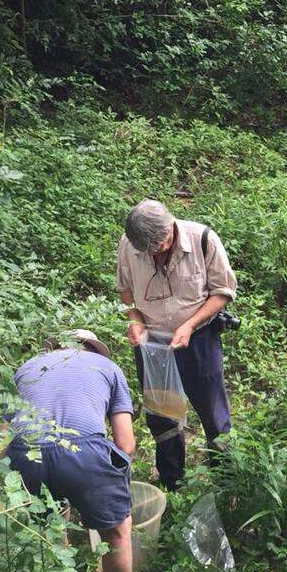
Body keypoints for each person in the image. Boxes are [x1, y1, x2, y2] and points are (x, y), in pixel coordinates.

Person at [116, 199, 238, 490]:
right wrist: (135, 320)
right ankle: (172, 482)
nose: (154, 254)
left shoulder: (203, 239)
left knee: (213, 410)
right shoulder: (129, 245)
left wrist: (189, 325)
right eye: (147, 251)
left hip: (199, 340)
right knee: (162, 414)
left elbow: (222, 292)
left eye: (159, 246)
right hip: (153, 343)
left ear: (170, 228)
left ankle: (227, 480)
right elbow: (126, 292)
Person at [6, 329, 136, 572]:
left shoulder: (27, 368)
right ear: (95, 350)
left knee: (49, 532)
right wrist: (112, 482)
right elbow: (126, 443)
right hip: (83, 449)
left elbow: (4, 433)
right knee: (116, 535)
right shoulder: (108, 367)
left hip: (25, 452)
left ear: (52, 349)